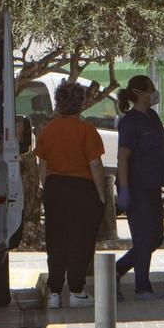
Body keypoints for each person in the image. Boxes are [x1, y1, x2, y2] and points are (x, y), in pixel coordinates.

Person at [36, 80, 107, 308]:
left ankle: (55, 292)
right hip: (82, 189)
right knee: (81, 238)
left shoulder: (48, 130)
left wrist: (47, 189)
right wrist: (102, 194)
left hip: (55, 187)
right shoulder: (87, 130)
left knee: (56, 239)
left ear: (58, 102)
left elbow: (42, 164)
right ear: (81, 103)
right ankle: (76, 290)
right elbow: (95, 164)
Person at [114, 75, 164, 300]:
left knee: (156, 237)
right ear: (138, 93)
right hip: (136, 187)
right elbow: (123, 156)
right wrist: (124, 189)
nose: (154, 93)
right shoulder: (130, 122)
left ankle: (117, 269)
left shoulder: (153, 117)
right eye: (150, 89)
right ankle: (142, 287)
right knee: (144, 237)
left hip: (154, 185)